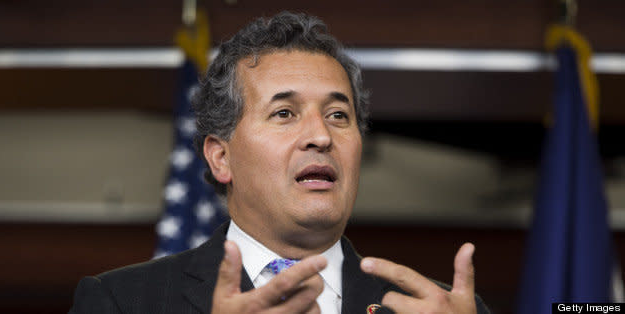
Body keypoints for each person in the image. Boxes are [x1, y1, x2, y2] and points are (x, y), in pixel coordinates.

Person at [69, 12, 489, 314]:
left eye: (339, 115)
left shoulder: (441, 308)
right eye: (284, 113)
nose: (321, 136)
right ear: (221, 156)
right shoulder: (121, 302)